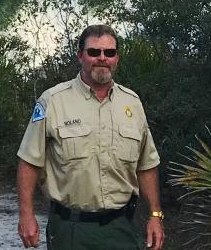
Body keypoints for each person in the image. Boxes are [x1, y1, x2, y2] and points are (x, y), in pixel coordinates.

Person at [16, 24, 165, 249]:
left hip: (121, 227)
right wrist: (26, 215)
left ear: (117, 58)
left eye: (109, 52)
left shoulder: (132, 103)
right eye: (94, 52)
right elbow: (29, 161)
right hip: (70, 229)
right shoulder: (53, 101)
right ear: (80, 56)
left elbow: (147, 165)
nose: (102, 58)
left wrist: (155, 214)